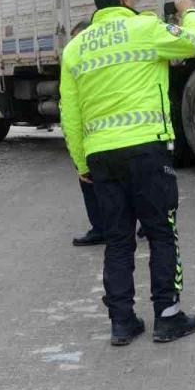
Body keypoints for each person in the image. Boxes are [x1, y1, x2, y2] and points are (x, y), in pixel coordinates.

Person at [58, 0, 195, 346]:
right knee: (161, 231)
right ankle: (168, 317)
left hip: (101, 158)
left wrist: (82, 165)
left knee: (118, 240)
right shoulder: (145, 27)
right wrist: (188, 11)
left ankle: (122, 322)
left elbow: (70, 116)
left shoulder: (75, 48)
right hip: (147, 150)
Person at [66, 18, 111, 248]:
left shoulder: (85, 67)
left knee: (90, 180)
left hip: (96, 138)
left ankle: (102, 228)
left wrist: (79, 161)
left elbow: (71, 113)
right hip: (110, 136)